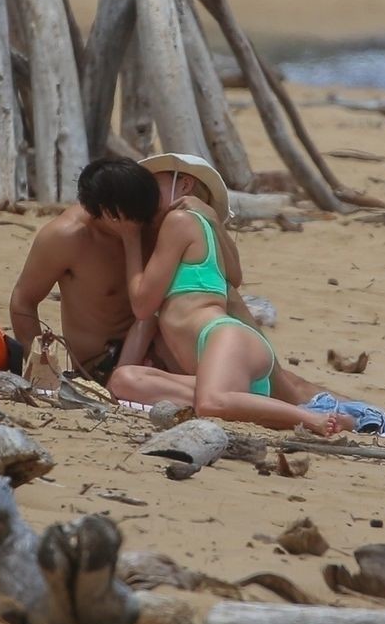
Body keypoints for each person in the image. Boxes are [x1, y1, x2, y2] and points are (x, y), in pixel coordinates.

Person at [6, 156, 385, 430]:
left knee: (285, 378)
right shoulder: (67, 236)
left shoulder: (155, 229)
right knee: (272, 389)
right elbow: (23, 303)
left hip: (164, 345)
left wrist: (211, 218)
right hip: (110, 361)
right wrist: (39, 366)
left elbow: (231, 277)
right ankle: (347, 415)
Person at [94, 158, 353, 435]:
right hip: (222, 358)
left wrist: (130, 237)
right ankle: (251, 404)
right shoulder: (193, 228)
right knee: (124, 380)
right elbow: (235, 275)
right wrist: (214, 221)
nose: (143, 194)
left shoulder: (179, 220)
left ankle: (311, 418)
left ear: (185, 184)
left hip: (223, 337)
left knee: (210, 403)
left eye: (153, 185)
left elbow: (142, 306)